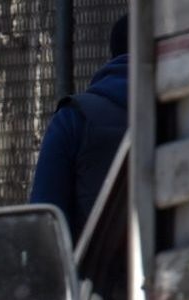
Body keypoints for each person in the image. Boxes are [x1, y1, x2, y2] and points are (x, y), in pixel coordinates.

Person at [30, 15, 129, 241]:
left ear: (112, 56)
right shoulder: (188, 111)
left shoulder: (74, 119)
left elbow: (44, 224)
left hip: (93, 275)